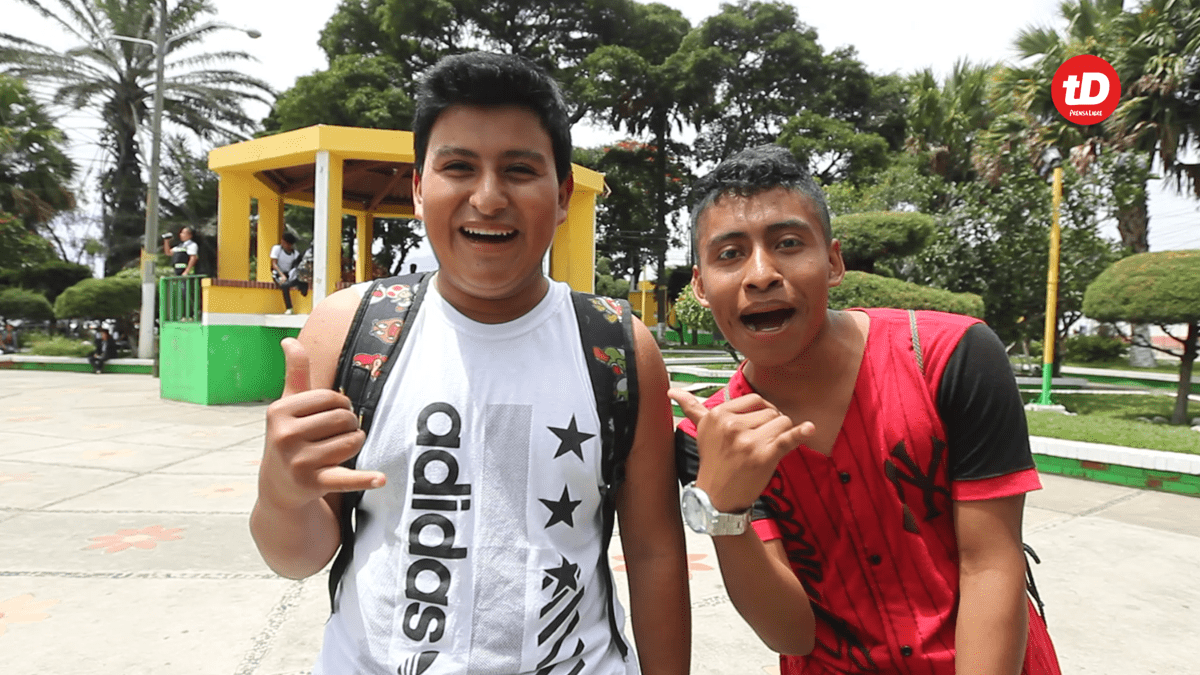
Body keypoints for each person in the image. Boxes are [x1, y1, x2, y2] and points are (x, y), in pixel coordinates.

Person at [251, 52, 689, 675]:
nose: (487, 198)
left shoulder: (617, 346)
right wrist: (282, 494)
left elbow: (653, 554)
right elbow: (295, 557)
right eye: (458, 167)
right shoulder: (348, 329)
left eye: (518, 169)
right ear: (419, 187)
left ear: (562, 195)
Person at [670, 145, 1061, 675]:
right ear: (699, 285)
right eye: (730, 254)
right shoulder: (715, 433)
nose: (761, 274)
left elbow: (990, 563)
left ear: (833, 262)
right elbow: (791, 632)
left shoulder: (951, 356)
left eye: (788, 244)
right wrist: (723, 512)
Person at [270, 232, 307, 314]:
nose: (283, 244)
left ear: (290, 244)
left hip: (289, 274)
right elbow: (274, 264)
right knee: (284, 285)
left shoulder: (295, 254)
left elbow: (296, 267)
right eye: (282, 242)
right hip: (278, 273)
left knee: (296, 281)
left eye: (286, 243)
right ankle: (289, 308)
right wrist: (282, 275)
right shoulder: (277, 249)